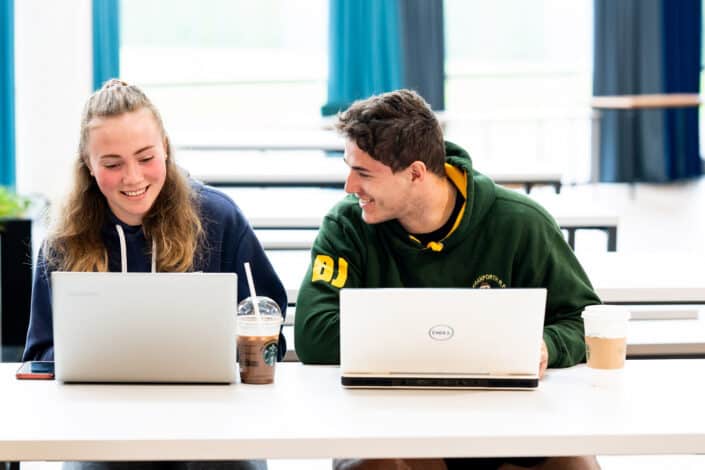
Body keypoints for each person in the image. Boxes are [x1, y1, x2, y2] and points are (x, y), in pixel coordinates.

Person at [294, 90, 602, 470]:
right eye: (348, 168)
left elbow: (585, 321)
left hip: (508, 421)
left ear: (416, 173)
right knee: (372, 466)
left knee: (576, 464)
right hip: (388, 421)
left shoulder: (521, 223)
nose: (349, 187)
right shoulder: (346, 226)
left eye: (363, 173)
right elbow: (313, 334)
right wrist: (442, 337)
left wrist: (547, 346)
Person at [22, 79, 286, 470]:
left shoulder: (218, 218)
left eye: (146, 157)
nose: (132, 177)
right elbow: (40, 354)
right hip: (101, 433)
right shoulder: (65, 241)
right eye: (112, 164)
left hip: (211, 430)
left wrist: (235, 350)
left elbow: (269, 336)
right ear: (88, 165)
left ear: (165, 146)